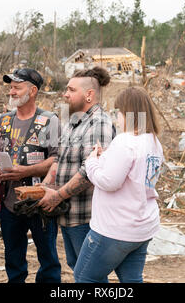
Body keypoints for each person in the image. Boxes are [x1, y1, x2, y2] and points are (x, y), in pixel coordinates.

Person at [73, 87, 164, 283]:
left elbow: (108, 182)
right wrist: (107, 157)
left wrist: (91, 162)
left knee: (85, 278)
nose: (117, 117)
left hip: (115, 228)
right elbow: (135, 175)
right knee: (132, 280)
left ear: (129, 113)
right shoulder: (153, 142)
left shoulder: (124, 141)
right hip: (142, 227)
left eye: (118, 112)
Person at [38, 66, 116, 272]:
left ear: (89, 95)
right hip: (68, 215)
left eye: (71, 90)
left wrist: (57, 196)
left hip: (86, 218)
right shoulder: (73, 124)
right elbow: (58, 161)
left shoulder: (98, 123)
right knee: (78, 269)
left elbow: (90, 171)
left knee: (90, 274)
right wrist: (43, 188)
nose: (65, 94)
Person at [0, 68, 61, 283]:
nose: (11, 92)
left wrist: (27, 171)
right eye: (10, 87)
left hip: (40, 202)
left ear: (33, 90)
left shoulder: (50, 121)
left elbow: (56, 160)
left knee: (48, 260)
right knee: (13, 259)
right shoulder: (3, 121)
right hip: (9, 204)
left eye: (17, 87)